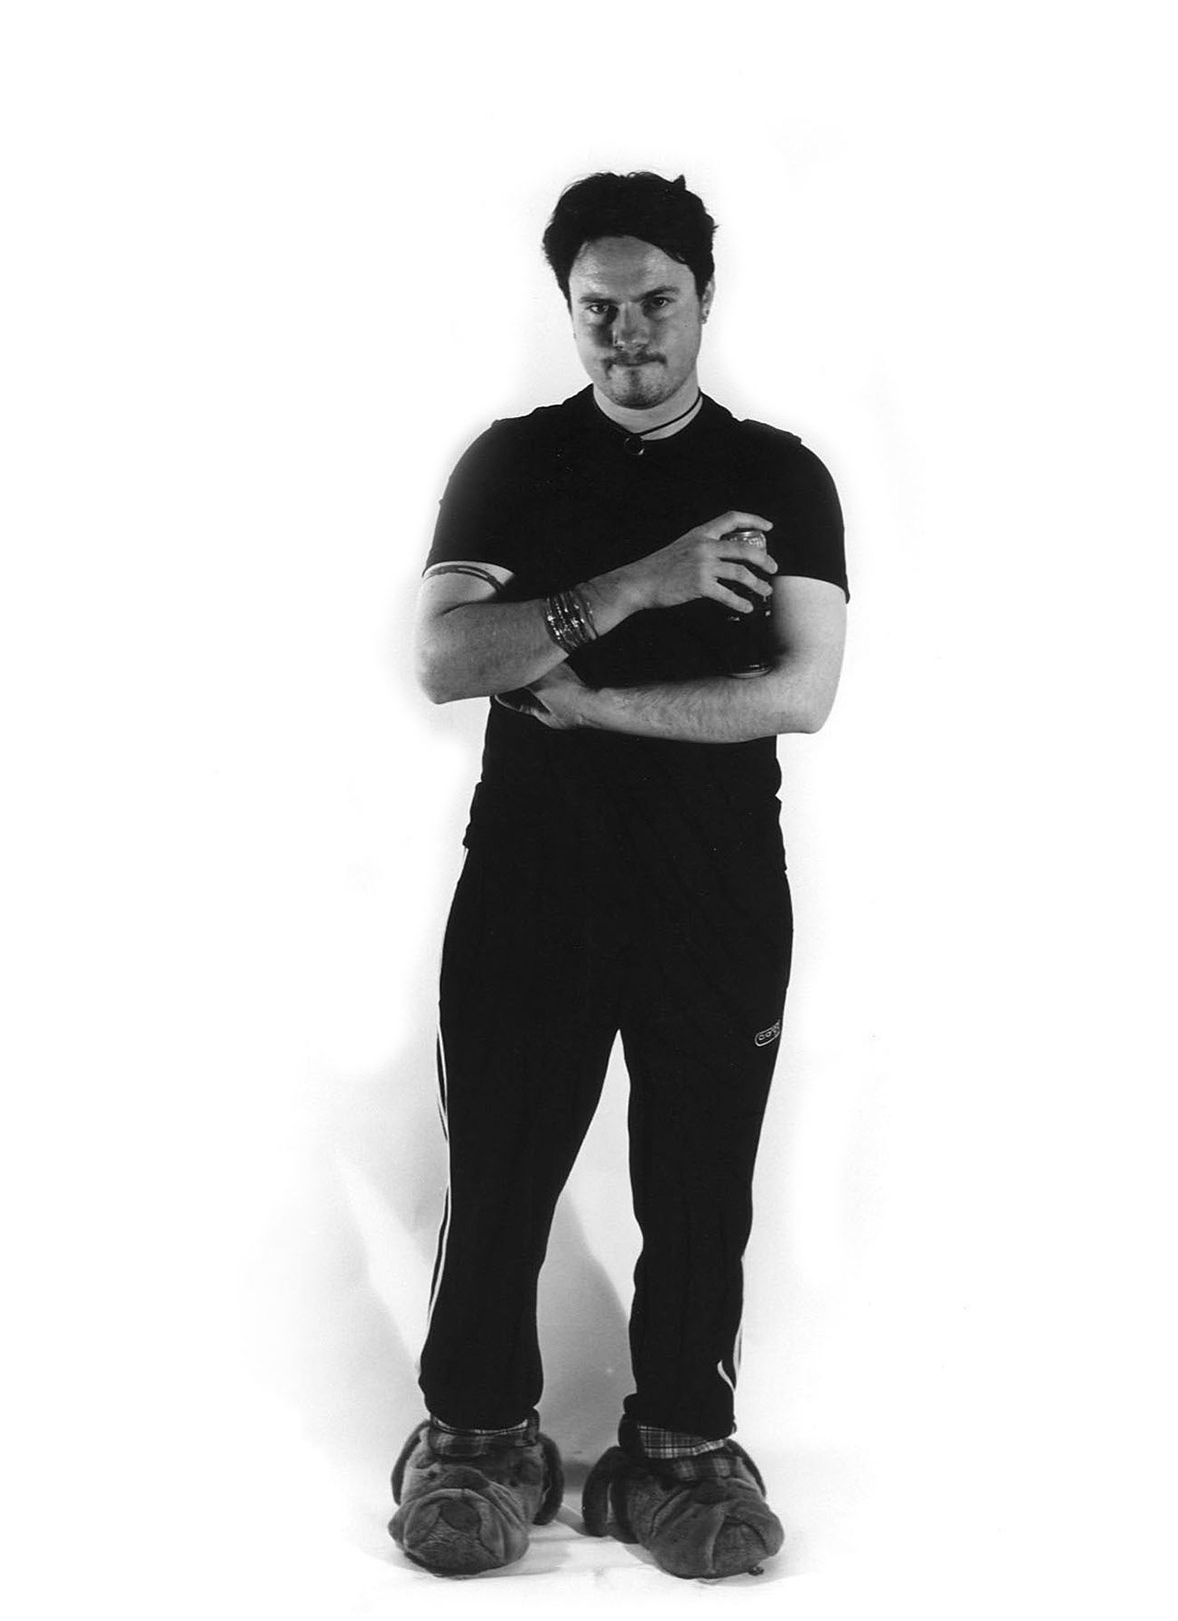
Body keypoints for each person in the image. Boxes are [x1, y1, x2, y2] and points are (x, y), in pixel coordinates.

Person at [390, 173, 848, 1579]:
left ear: (705, 298)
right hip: (533, 880)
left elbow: (800, 692)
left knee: (701, 1184)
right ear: (568, 309)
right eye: (600, 306)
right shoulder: (512, 464)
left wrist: (588, 705)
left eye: (657, 301)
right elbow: (447, 657)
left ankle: (680, 1450)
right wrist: (646, 581)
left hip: (716, 883)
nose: (629, 331)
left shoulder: (781, 476)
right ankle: (476, 1437)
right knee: (503, 1166)